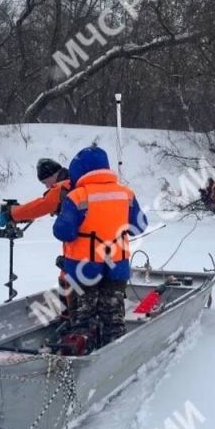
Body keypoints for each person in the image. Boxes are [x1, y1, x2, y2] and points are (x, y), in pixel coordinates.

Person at [53, 146, 147, 350]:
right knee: (113, 317)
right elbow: (140, 226)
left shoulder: (77, 197)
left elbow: (63, 232)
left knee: (83, 319)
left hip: (84, 269)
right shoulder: (126, 194)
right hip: (117, 267)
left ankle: (83, 356)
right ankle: (115, 352)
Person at [0, 158, 73, 319]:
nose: (47, 187)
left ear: (53, 174)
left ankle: (71, 318)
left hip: (80, 249)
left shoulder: (64, 188)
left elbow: (42, 205)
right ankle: (70, 315)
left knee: (69, 279)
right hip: (89, 248)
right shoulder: (74, 183)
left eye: (46, 182)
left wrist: (13, 213)